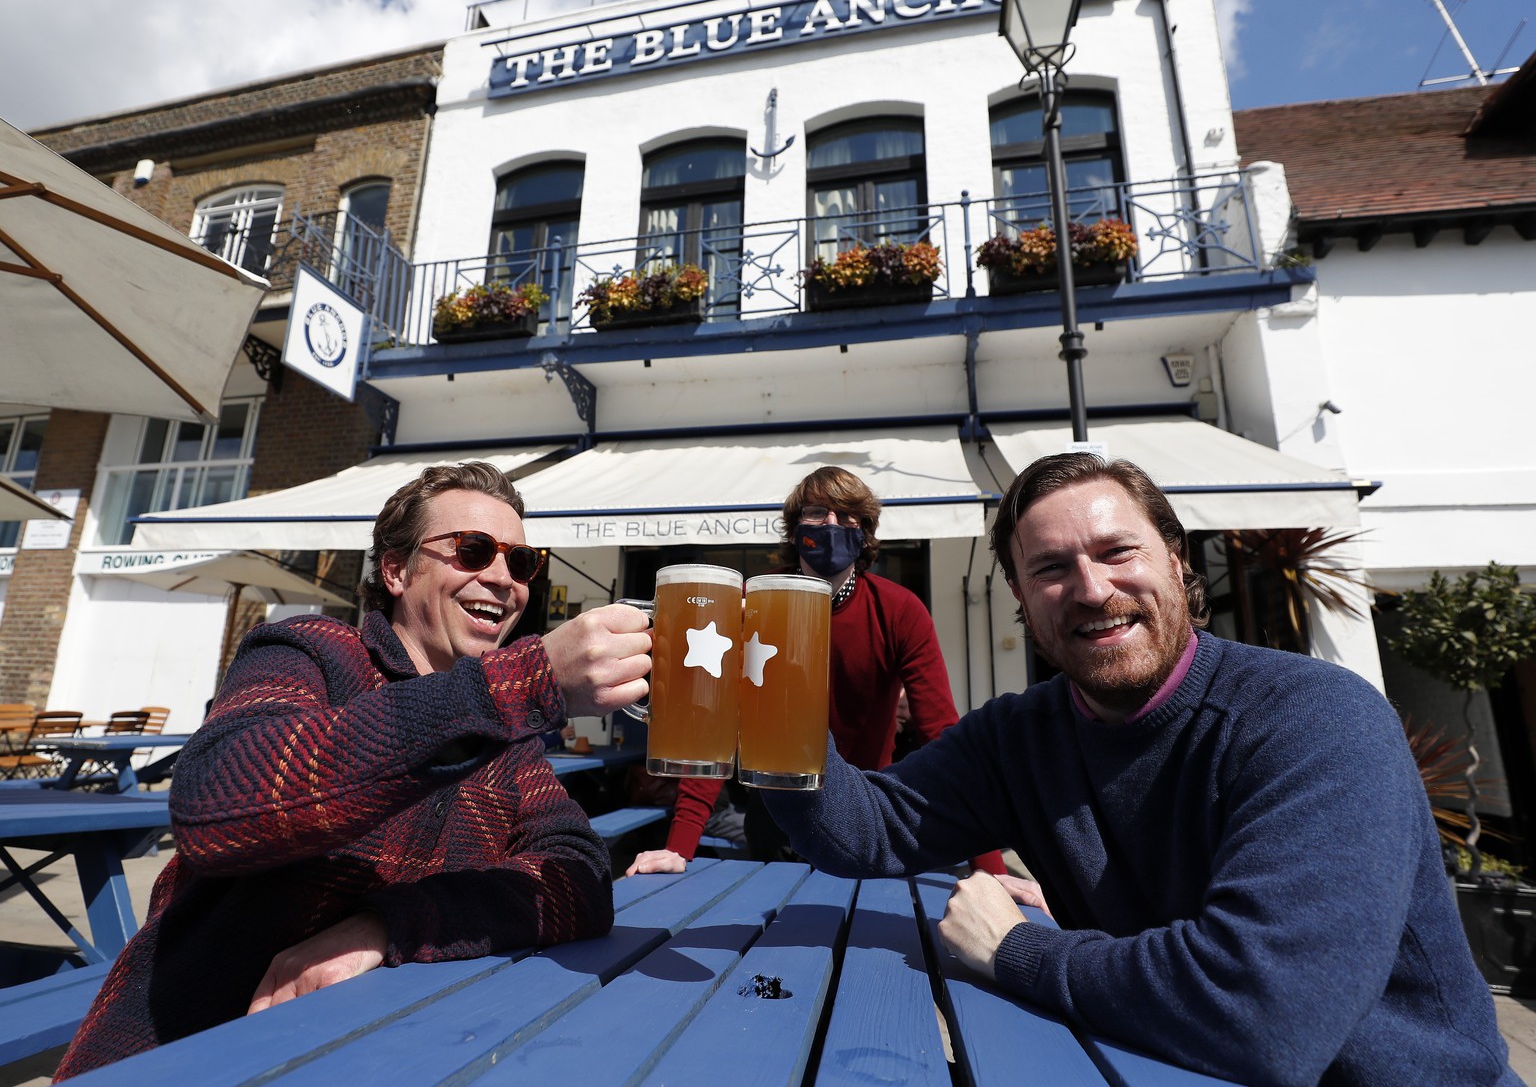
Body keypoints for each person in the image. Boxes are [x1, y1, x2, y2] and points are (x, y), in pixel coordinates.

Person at [759, 452, 1522, 1087]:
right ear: (1023, 599)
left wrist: (1016, 949)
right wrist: (755, 703)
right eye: (1051, 568)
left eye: (1117, 551)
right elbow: (862, 831)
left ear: (1176, 560)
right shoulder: (1023, 734)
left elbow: (1262, 1010)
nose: (1092, 589)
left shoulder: (1316, 719)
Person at [55, 462, 651, 1079]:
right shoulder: (311, 652)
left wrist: (385, 927)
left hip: (373, 1052)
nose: (503, 580)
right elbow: (214, 803)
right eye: (473, 551)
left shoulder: (507, 739)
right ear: (395, 570)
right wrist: (526, 682)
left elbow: (579, 880)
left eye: (522, 562)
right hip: (186, 1048)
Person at [626, 466, 1005, 877]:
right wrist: (679, 847)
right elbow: (720, 725)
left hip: (866, 816)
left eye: (847, 517)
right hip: (776, 814)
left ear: (864, 535)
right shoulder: (757, 605)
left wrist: (990, 868)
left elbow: (941, 732)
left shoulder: (899, 610)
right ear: (794, 533)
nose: (831, 525)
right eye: (817, 513)